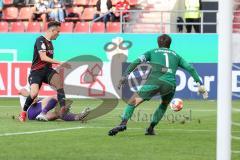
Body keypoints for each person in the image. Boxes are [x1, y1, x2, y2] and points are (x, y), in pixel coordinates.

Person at [108, 34, 208, 136]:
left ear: (158, 43)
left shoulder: (152, 52)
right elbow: (190, 68)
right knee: (164, 105)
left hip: (153, 82)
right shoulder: (176, 55)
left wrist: (126, 75)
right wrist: (199, 84)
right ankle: (151, 128)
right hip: (170, 84)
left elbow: (137, 61)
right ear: (170, 44)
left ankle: (123, 123)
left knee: (133, 102)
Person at [19, 21, 71, 122]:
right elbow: (43, 57)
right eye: (58, 31)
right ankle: (24, 112)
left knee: (59, 83)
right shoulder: (40, 40)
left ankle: (63, 108)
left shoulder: (51, 44)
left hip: (47, 71)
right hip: (36, 72)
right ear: (52, 30)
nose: (59, 34)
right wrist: (59, 62)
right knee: (33, 94)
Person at [19, 88, 90, 121]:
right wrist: (31, 96)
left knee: (58, 114)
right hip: (30, 110)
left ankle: (77, 117)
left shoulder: (34, 91)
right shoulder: (26, 90)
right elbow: (21, 91)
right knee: (55, 97)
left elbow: (35, 100)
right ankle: (43, 113)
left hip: (31, 116)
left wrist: (34, 98)